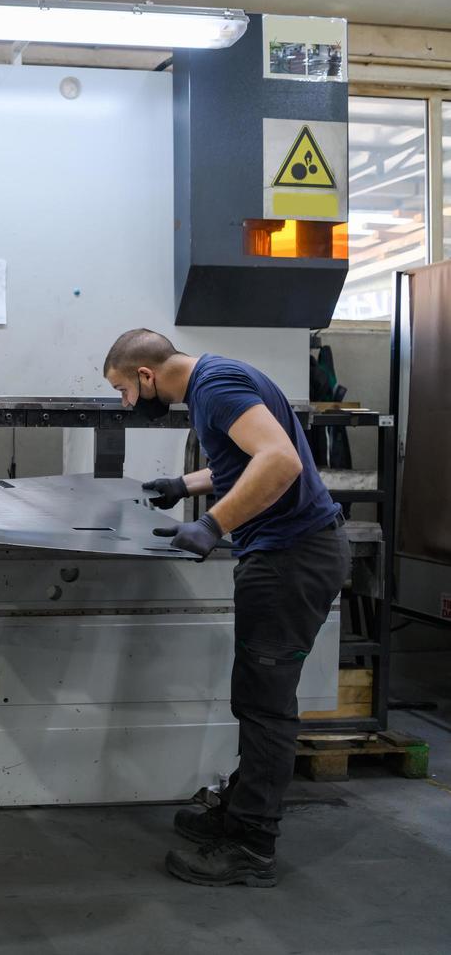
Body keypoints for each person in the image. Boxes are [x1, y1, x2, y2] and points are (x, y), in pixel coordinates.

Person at [102, 329, 349, 888]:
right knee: (257, 697)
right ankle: (240, 812)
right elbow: (247, 459)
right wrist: (183, 485)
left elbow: (279, 461)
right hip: (290, 553)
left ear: (146, 376)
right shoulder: (220, 378)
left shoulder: (214, 387)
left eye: (122, 391)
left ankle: (253, 846)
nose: (124, 403)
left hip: (291, 558)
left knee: (265, 706)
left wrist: (214, 524)